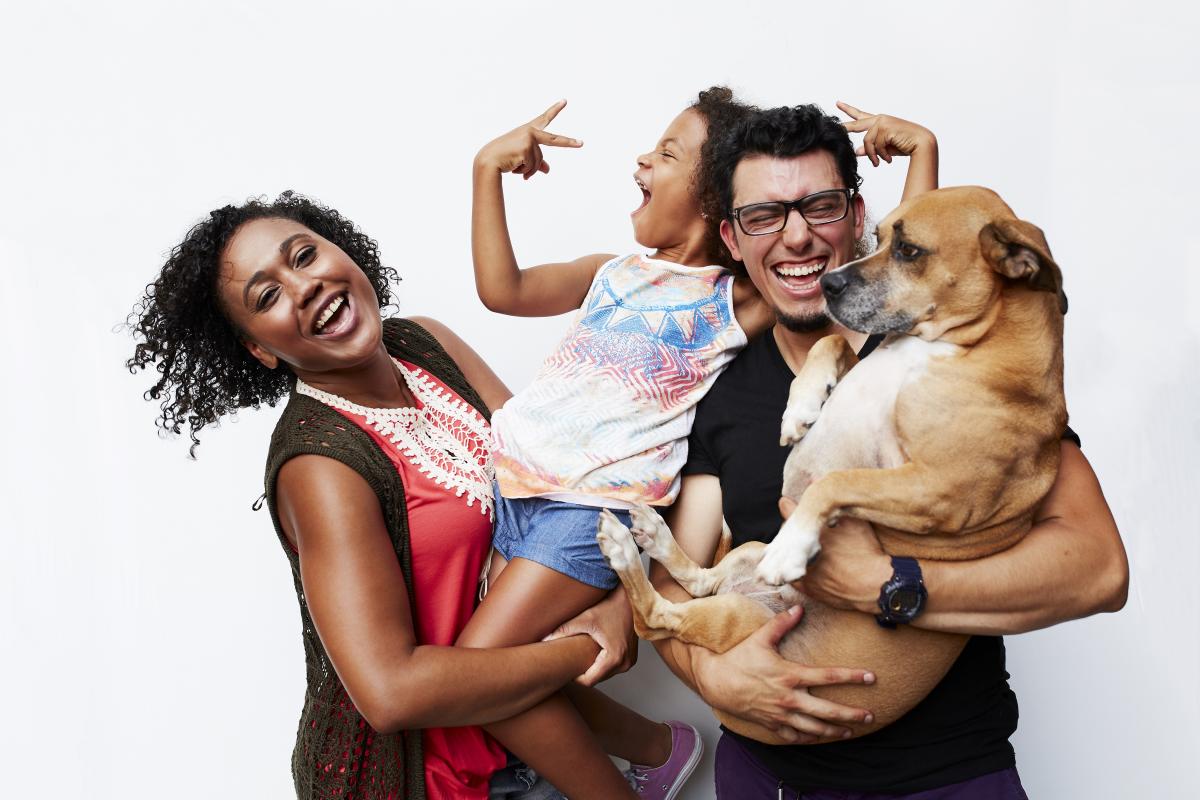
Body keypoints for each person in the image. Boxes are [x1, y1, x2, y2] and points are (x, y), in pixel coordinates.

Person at [643, 104, 1129, 797]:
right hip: (766, 776)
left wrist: (889, 584)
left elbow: (1099, 572)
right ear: (733, 237)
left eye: (820, 206)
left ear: (856, 214)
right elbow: (674, 581)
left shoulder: (959, 367)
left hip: (946, 776)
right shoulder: (716, 392)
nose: (797, 236)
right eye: (764, 216)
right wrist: (711, 674)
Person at [464, 89, 938, 797]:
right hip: (514, 487)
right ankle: (656, 749)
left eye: (666, 152)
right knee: (508, 674)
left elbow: (893, 274)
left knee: (471, 673)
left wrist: (923, 153)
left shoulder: (732, 297)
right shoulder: (610, 272)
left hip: (590, 508)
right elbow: (503, 291)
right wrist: (486, 171)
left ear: (711, 202)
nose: (642, 159)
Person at [124, 192, 632, 800]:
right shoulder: (320, 467)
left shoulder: (425, 343)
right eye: (268, 296)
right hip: (441, 783)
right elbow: (392, 693)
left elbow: (557, 483)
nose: (304, 286)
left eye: (304, 256)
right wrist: (590, 646)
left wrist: (623, 600)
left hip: (545, 743)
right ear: (258, 349)